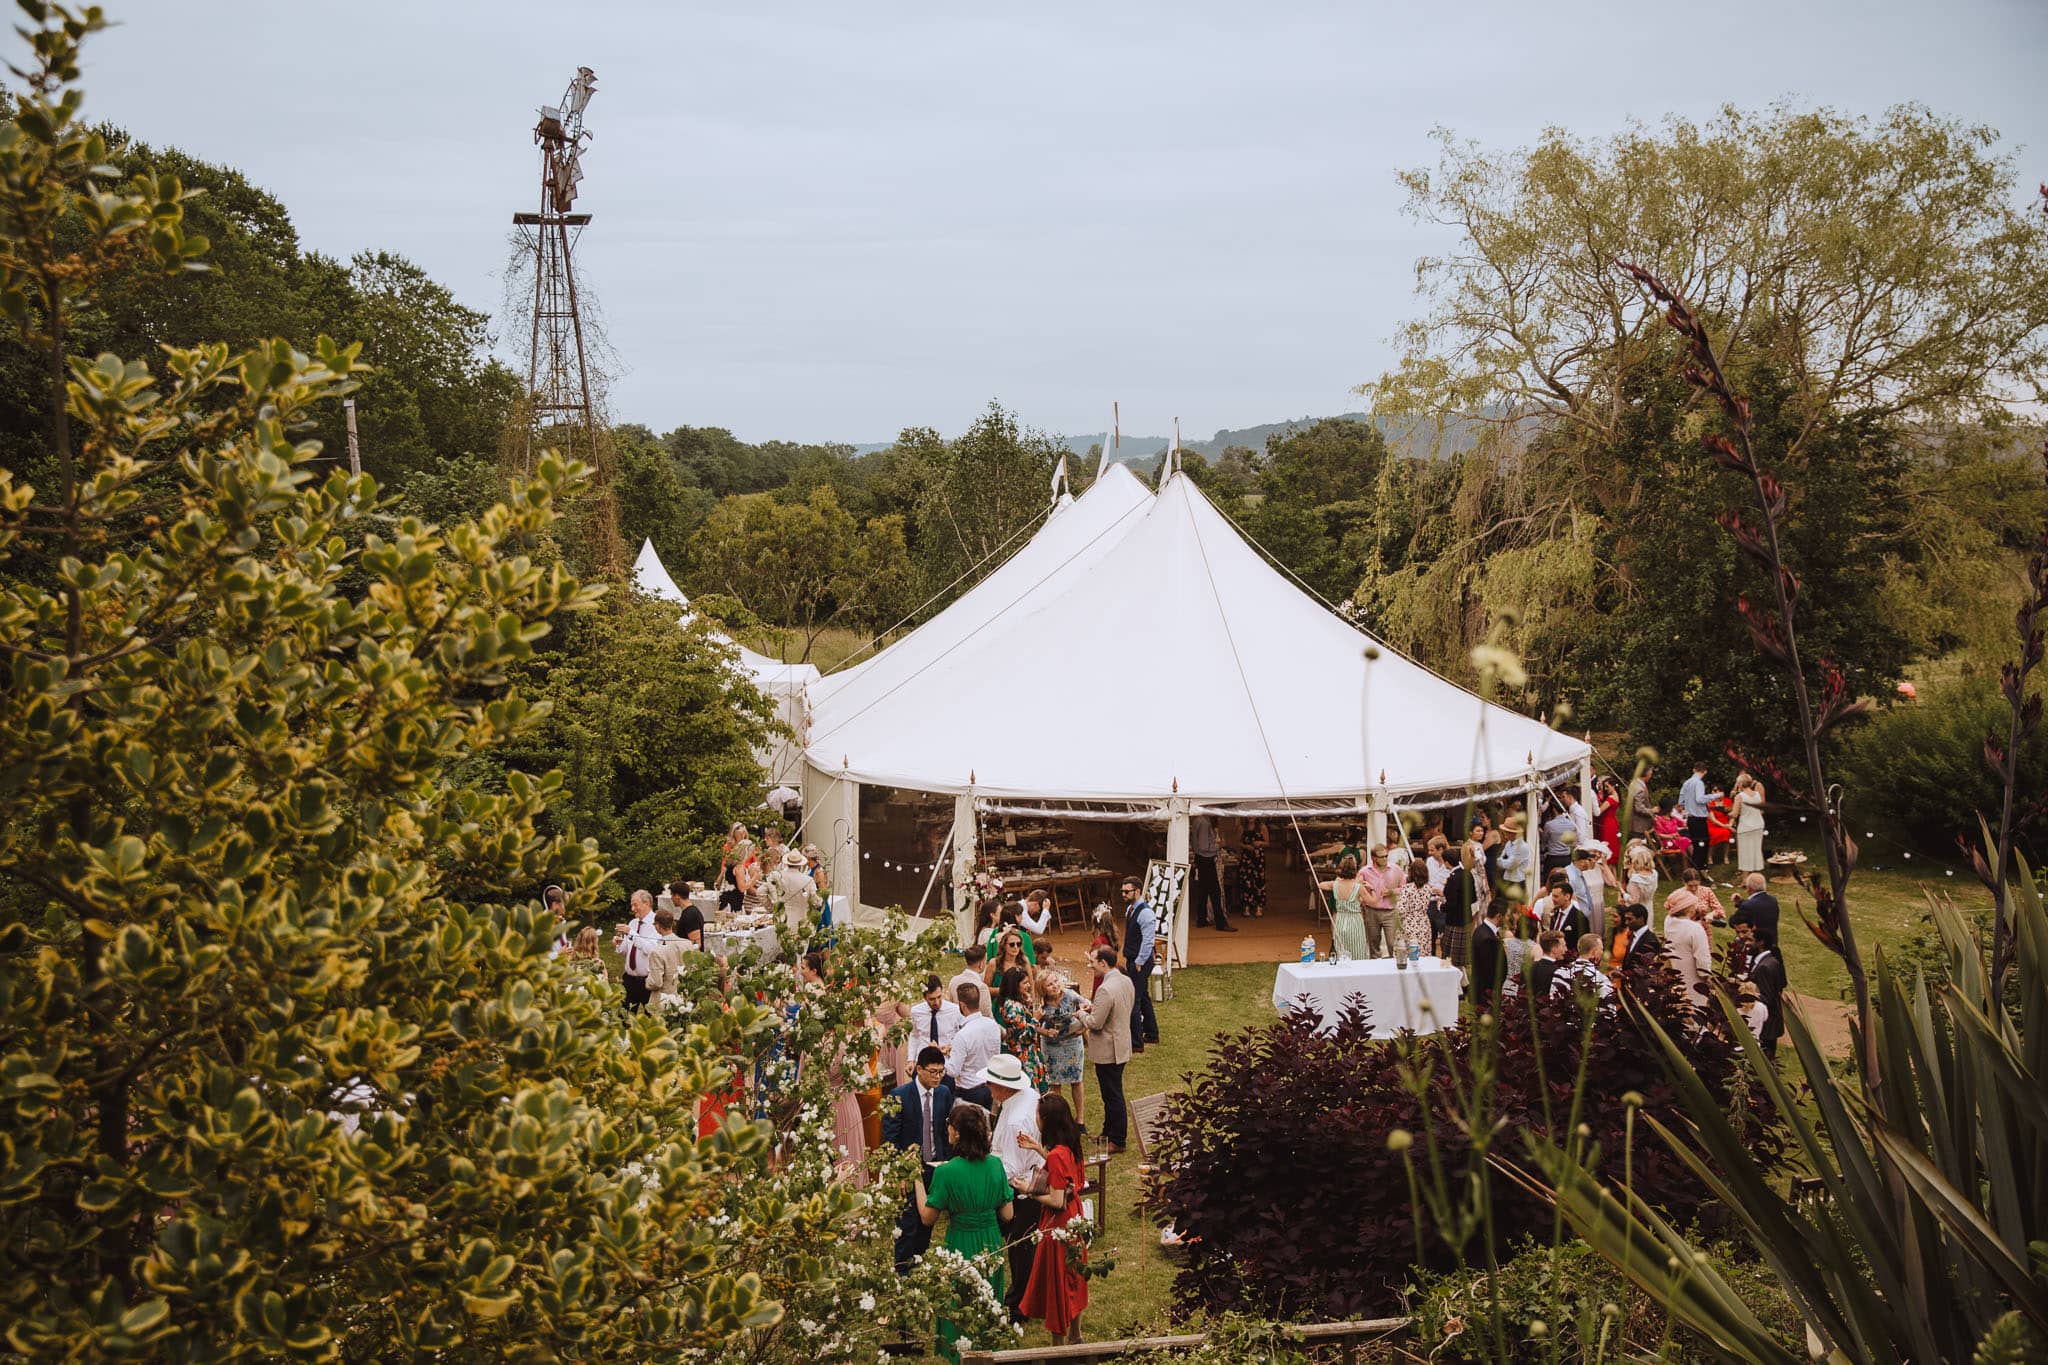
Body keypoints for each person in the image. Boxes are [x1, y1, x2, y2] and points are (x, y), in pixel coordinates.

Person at [915, 1101, 1014, 1360]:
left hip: (961, 1243)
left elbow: (927, 1217)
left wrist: (916, 1180)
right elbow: (1008, 1213)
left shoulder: (946, 1172)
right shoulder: (995, 1165)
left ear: (957, 1132)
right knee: (989, 1304)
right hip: (991, 1243)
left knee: (959, 1308)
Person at [1017, 1093, 1089, 1343]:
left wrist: (1028, 1189)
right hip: (1075, 1217)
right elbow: (1065, 1171)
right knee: (1075, 1275)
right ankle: (1076, 1334)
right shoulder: (1070, 1145)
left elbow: (1057, 1201)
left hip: (1059, 1223)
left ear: (1046, 1120)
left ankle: (1058, 1345)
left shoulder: (1057, 1155)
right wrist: (1037, 1148)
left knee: (1058, 1280)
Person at [883, 1045, 954, 1270]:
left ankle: (919, 1266)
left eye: (941, 1071)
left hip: (936, 1167)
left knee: (927, 1223)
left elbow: (944, 1132)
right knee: (906, 1224)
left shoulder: (943, 1093)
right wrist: (899, 1173)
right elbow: (890, 1140)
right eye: (933, 1072)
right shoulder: (899, 1096)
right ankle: (903, 1271)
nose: (937, 1077)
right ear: (919, 1070)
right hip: (909, 1170)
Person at [985, 1054, 1043, 1320]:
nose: (987, 1088)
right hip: (1029, 1177)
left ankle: (1020, 1304)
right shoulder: (1027, 1096)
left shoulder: (1015, 1120)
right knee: (1023, 1246)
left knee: (1020, 1248)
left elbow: (1011, 1168)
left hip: (1022, 1188)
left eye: (990, 1084)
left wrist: (986, 1178)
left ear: (1003, 1087)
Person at [1080, 947, 1133, 1151]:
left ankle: (1118, 1139)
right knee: (1112, 1092)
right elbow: (1116, 1008)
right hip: (1121, 1043)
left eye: (1092, 962)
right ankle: (1108, 1132)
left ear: (1103, 963)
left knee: (1112, 1095)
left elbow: (1095, 1023)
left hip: (1108, 1050)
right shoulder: (1124, 980)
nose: (1090, 965)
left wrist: (1081, 1014)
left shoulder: (1105, 988)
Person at [1036, 966, 1087, 1128]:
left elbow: (1088, 1006)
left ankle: (1080, 1120)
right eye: (1050, 984)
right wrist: (1045, 1031)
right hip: (1052, 1046)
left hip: (1072, 1043)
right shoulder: (1041, 1005)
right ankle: (1058, 1120)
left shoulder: (1071, 996)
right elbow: (1032, 1024)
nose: (1055, 986)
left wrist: (1083, 1027)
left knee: (1076, 1080)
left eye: (1056, 981)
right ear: (1043, 989)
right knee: (1055, 1083)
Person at [1118, 877, 1159, 1054]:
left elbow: (1148, 941)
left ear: (1138, 891)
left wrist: (1140, 962)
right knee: (1143, 996)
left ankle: (1136, 1042)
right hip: (1133, 959)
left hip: (1140, 961)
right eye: (1122, 891)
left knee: (1134, 999)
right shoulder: (1130, 909)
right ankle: (1151, 1032)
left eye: (1127, 891)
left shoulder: (1146, 913)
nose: (1124, 894)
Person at [950, 982, 1002, 1110]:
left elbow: (953, 1070)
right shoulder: (993, 1026)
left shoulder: (962, 1035)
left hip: (969, 1091)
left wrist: (940, 1056)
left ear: (961, 1005)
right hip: (989, 1087)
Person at [996, 968, 1049, 1088]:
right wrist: (1035, 1019)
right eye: (1025, 983)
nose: (1029, 985)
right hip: (1022, 1058)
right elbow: (1024, 1038)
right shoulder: (1013, 1007)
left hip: (1028, 1053)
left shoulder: (1016, 1002)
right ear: (1015, 985)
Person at [612, 889, 660, 1011]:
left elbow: (651, 950)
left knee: (651, 1018)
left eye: (635, 905)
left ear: (647, 904)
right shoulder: (633, 923)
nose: (632, 909)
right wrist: (619, 944)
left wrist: (631, 933)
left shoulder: (656, 923)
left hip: (647, 981)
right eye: (631, 905)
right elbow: (627, 951)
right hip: (629, 979)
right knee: (623, 1016)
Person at [1662, 892, 1713, 1006]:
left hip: (1674, 973)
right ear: (1688, 908)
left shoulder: (1668, 921)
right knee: (1694, 1010)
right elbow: (1702, 959)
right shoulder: (1695, 928)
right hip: (1693, 978)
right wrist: (1707, 977)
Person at [911, 975, 964, 1081]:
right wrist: (910, 1060)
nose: (937, 1002)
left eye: (939, 997)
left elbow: (961, 1037)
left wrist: (949, 1048)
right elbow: (914, 1036)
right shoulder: (916, 1012)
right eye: (932, 999)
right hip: (924, 1063)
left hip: (945, 1065)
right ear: (924, 997)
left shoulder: (955, 1010)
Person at [1188, 812, 1235, 931]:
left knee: (1203, 891)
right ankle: (1220, 923)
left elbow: (1196, 844)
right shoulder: (1205, 823)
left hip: (1201, 858)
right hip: (1206, 858)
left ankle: (1201, 919)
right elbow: (1204, 846)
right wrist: (1218, 846)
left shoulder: (1198, 820)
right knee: (1215, 892)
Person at [1747, 926, 1787, 1059]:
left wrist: (1744, 994)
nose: (1748, 943)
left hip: (1767, 1025)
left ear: (1760, 943)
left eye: (1751, 940)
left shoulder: (1764, 967)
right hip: (1771, 1023)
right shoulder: (1772, 961)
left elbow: (1766, 997)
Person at [1320, 854, 1369, 962]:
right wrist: (1372, 890)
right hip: (1355, 921)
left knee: (1341, 949)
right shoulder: (1357, 884)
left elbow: (1321, 885)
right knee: (1358, 950)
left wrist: (1336, 882)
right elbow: (1372, 901)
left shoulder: (1336, 883)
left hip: (1341, 920)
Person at [768, 847, 822, 942]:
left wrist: (772, 906)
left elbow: (761, 892)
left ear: (787, 863)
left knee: (785, 953)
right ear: (800, 864)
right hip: (802, 923)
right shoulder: (807, 880)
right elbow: (816, 902)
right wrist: (820, 900)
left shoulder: (777, 876)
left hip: (783, 922)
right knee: (800, 953)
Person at [1678, 762, 1723, 871]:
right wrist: (1716, 795)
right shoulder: (1698, 783)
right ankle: (1700, 868)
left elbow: (1681, 801)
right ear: (1705, 771)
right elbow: (1700, 799)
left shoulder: (1687, 783)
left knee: (1696, 844)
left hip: (1691, 818)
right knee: (1702, 845)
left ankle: (1695, 868)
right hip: (1699, 819)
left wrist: (1688, 807)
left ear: (1694, 770)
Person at [643, 907, 691, 1009]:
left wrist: (647, 981)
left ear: (658, 926)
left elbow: (656, 982)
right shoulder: (687, 944)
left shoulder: (657, 951)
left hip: (665, 1001)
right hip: (684, 998)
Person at [1359, 846, 1402, 958]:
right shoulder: (1364, 872)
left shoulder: (1396, 869)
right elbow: (1357, 889)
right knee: (1373, 944)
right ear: (1373, 858)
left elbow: (1405, 888)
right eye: (1381, 856)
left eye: (1386, 856)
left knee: (1393, 944)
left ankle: (1395, 969)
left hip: (1390, 912)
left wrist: (1392, 892)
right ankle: (1375, 970)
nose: (1385, 858)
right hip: (1371, 911)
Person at [1439, 848, 1478, 968]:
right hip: (1466, 920)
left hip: (1454, 922)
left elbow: (1451, 904)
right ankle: (1463, 983)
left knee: (1450, 960)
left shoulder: (1453, 878)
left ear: (1446, 862)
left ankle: (1453, 982)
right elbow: (1473, 898)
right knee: (1460, 962)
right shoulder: (1468, 874)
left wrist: (1441, 906)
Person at [1552, 934, 1615, 1001]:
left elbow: (1553, 1000)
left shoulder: (1559, 973)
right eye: (1601, 949)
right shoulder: (1600, 979)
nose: (1602, 952)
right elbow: (1609, 1008)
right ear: (1594, 952)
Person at [1469, 900, 1506, 1012]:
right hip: (1486, 994)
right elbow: (1489, 971)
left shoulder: (1480, 930)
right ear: (1499, 916)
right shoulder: (1488, 938)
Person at [1662, 865, 1726, 930]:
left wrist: (1712, 914)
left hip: (1703, 929)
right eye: (1690, 886)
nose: (1693, 888)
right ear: (1684, 882)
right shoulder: (1678, 894)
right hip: (1683, 929)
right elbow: (1670, 912)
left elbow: (1720, 910)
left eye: (1696, 885)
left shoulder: (1706, 891)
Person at [1566, 846, 1607, 942]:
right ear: (1582, 862)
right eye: (1588, 860)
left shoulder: (1578, 873)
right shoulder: (1571, 876)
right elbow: (1572, 897)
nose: (1591, 862)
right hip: (1579, 917)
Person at [1395, 861, 1434, 958]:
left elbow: (1401, 909)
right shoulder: (1428, 888)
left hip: (1409, 924)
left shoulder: (1407, 888)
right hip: (1424, 923)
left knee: (1406, 955)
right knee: (1422, 953)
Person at [1733, 773, 1768, 877]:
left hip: (1746, 827)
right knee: (1756, 850)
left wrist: (1728, 812)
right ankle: (1757, 876)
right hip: (1758, 824)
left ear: (1740, 783)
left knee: (1744, 852)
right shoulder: (1757, 794)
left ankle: (1745, 880)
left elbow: (1735, 813)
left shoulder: (1739, 796)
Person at [1540, 877, 1590, 947]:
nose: (1553, 899)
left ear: (1567, 896)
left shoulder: (1580, 918)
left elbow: (1584, 944)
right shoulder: (1555, 914)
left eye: (1556, 896)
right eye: (1552, 896)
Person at [1730, 872, 1781, 941]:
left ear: (1749, 888)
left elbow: (1733, 922)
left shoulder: (1747, 906)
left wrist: (1739, 908)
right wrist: (1740, 902)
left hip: (1755, 944)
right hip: (1771, 941)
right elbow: (1758, 907)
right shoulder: (1773, 900)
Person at [1494, 817, 1532, 909]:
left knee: (1515, 910)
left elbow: (1510, 865)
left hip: (1517, 882)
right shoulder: (1508, 844)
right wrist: (1503, 861)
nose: (1505, 834)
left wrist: (1502, 861)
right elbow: (1500, 860)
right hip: (1507, 879)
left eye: (1506, 832)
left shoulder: (1522, 847)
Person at [716, 822, 750, 915]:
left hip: (741, 886)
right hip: (735, 888)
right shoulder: (729, 849)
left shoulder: (748, 848)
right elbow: (724, 868)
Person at [1239, 818, 1269, 918]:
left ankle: (1259, 906)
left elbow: (1267, 843)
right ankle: (1246, 906)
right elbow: (1238, 842)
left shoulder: (1262, 827)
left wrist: (1260, 843)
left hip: (1258, 857)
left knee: (1259, 880)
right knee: (1246, 880)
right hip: (1246, 856)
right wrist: (1245, 846)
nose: (1250, 817)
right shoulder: (1242, 827)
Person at [1539, 800, 1577, 879]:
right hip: (1566, 857)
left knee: (1550, 879)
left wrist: (1541, 833)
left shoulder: (1549, 825)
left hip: (1553, 858)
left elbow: (1544, 840)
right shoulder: (1571, 824)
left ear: (1554, 810)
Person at [1620, 902, 1662, 970]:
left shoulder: (1650, 941)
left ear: (1641, 919)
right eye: (1626, 919)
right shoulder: (1632, 936)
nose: (1626, 923)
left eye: (1630, 919)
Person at [666, 880, 705, 949]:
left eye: (672, 895)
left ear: (677, 896)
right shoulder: (689, 912)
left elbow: (696, 944)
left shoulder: (690, 915)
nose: (671, 898)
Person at [1529, 931, 1567, 999]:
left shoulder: (1528, 968)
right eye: (1563, 946)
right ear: (1554, 950)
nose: (1566, 949)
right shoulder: (1559, 972)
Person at [1622, 842, 1658, 913]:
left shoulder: (1635, 879)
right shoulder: (1654, 873)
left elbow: (1634, 901)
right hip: (1649, 906)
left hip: (1637, 910)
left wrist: (1622, 892)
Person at [1628, 766, 1656, 840]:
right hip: (1639, 825)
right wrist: (1652, 811)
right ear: (1646, 773)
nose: (1651, 776)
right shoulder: (1639, 788)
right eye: (1650, 773)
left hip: (1635, 824)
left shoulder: (1635, 783)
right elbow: (1639, 808)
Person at [545, 885, 571, 956]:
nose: (566, 907)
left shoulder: (560, 920)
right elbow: (539, 957)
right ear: (555, 905)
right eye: (565, 904)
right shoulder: (543, 924)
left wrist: (568, 949)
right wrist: (558, 953)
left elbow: (561, 944)